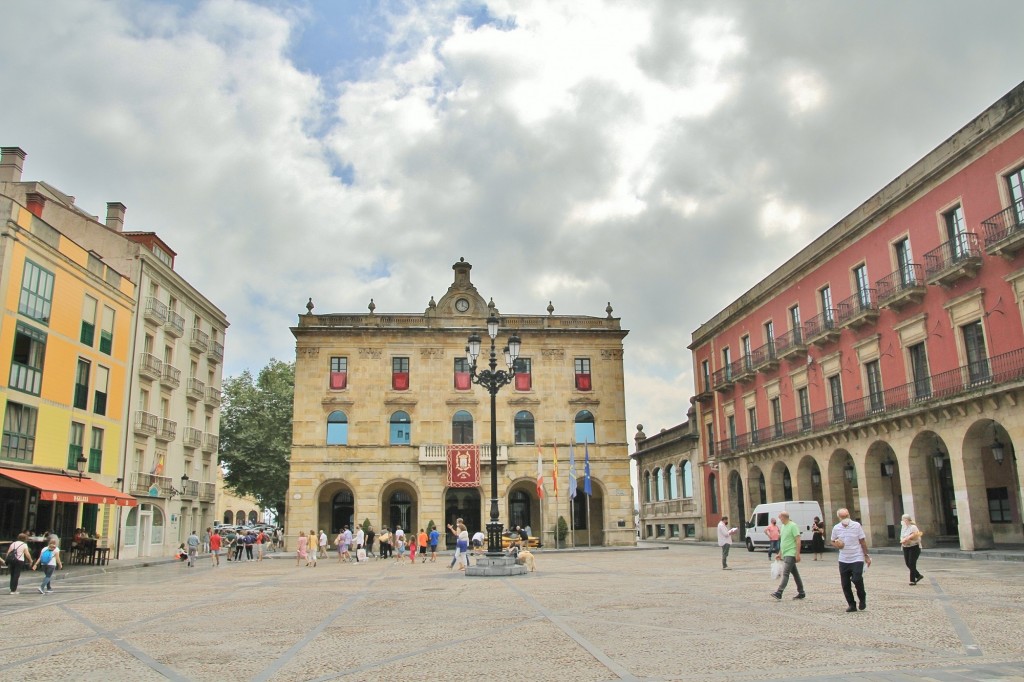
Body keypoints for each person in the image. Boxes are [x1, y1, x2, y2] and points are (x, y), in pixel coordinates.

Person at [831, 508, 871, 612]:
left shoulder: (856, 525)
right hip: (844, 558)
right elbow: (832, 540)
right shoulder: (836, 528)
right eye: (843, 517)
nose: (845, 518)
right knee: (845, 583)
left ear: (849, 515)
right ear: (839, 517)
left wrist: (866, 555)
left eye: (846, 516)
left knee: (857, 579)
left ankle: (862, 598)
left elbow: (862, 540)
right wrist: (837, 544)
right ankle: (851, 604)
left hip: (857, 556)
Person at [770, 511, 805, 601]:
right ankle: (801, 592)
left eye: (780, 518)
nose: (779, 519)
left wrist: (797, 554)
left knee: (785, 573)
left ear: (784, 517)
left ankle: (779, 592)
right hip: (785, 553)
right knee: (795, 574)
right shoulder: (783, 527)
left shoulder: (793, 526)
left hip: (791, 552)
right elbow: (783, 541)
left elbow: (798, 540)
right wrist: (780, 553)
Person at [899, 514, 924, 585]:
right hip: (905, 547)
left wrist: (911, 540)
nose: (902, 521)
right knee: (907, 563)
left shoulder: (913, 527)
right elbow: (901, 537)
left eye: (903, 519)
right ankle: (918, 575)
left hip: (914, 547)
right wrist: (903, 540)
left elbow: (918, 538)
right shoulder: (903, 528)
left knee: (911, 563)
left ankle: (912, 580)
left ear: (907, 520)